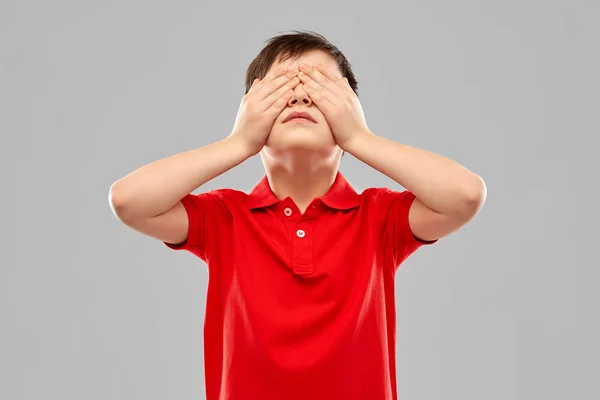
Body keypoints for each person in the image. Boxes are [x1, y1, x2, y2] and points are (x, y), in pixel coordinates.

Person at [109, 30, 486, 400]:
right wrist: (238, 142)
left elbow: (464, 195)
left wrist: (359, 138)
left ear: (349, 111)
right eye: (282, 89)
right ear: (250, 114)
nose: (301, 97)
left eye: (321, 89)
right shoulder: (226, 218)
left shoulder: (378, 217)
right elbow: (129, 201)